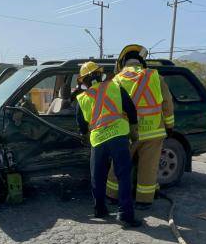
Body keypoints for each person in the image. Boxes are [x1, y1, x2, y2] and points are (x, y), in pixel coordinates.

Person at [106, 44, 175, 209]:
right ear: (141, 63)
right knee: (149, 167)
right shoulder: (155, 76)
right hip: (153, 132)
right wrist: (170, 125)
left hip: (127, 132)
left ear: (123, 63)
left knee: (119, 165)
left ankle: (113, 196)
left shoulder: (117, 79)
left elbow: (111, 107)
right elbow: (167, 103)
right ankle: (144, 201)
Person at [75, 61, 142, 227]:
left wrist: (84, 135)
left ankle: (99, 209)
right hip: (119, 136)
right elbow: (131, 110)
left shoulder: (82, 98)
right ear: (100, 74)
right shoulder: (115, 87)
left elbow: (81, 124)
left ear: (83, 81)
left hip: (98, 140)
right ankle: (125, 214)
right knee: (123, 175)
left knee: (97, 176)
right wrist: (134, 132)